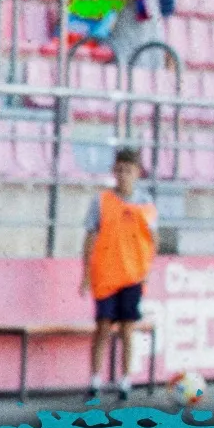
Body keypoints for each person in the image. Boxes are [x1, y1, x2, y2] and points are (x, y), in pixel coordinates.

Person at [81, 148, 157, 401]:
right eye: (120, 170)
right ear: (114, 171)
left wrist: (146, 270)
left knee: (127, 328)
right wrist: (86, 274)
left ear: (137, 173)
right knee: (102, 326)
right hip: (106, 274)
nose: (124, 175)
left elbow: (152, 239)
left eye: (129, 170)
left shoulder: (145, 204)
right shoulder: (102, 201)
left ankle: (125, 380)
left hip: (132, 275)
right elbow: (90, 237)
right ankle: (95, 379)